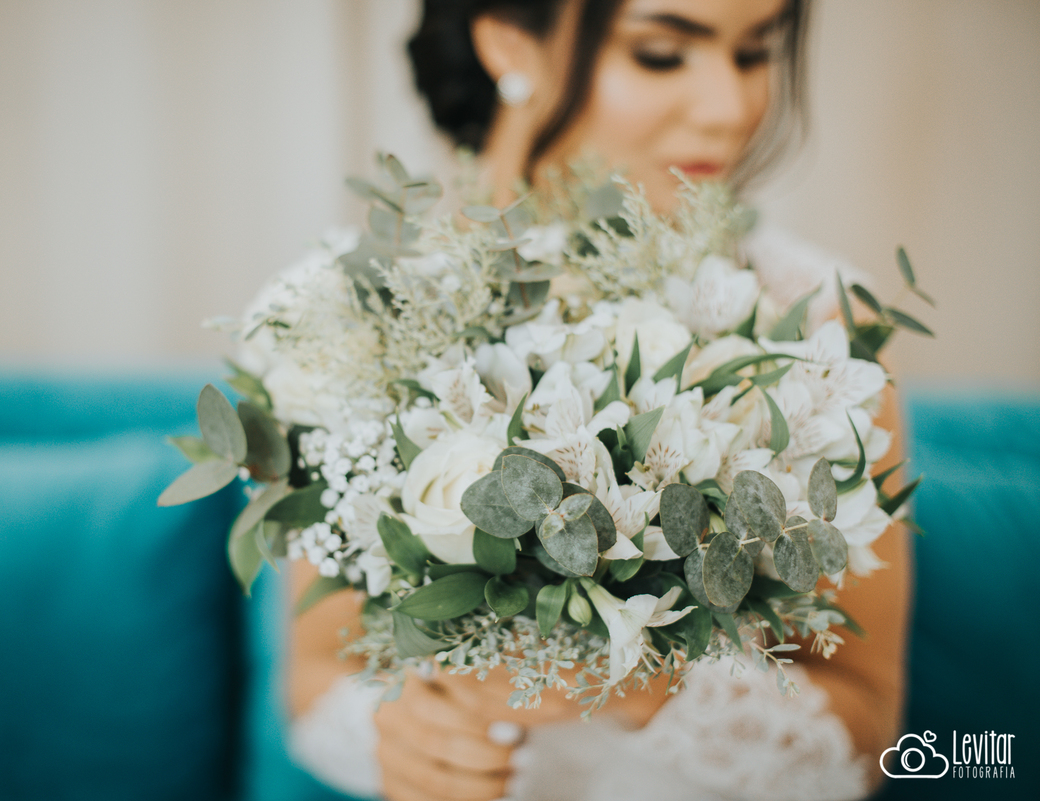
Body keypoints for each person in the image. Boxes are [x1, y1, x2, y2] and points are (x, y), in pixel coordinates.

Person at [286, 1, 911, 799]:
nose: (733, 108)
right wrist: (395, 736)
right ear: (510, 39)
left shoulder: (821, 325)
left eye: (755, 52)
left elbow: (869, 729)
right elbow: (315, 674)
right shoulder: (356, 318)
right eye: (661, 54)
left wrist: (656, 690)